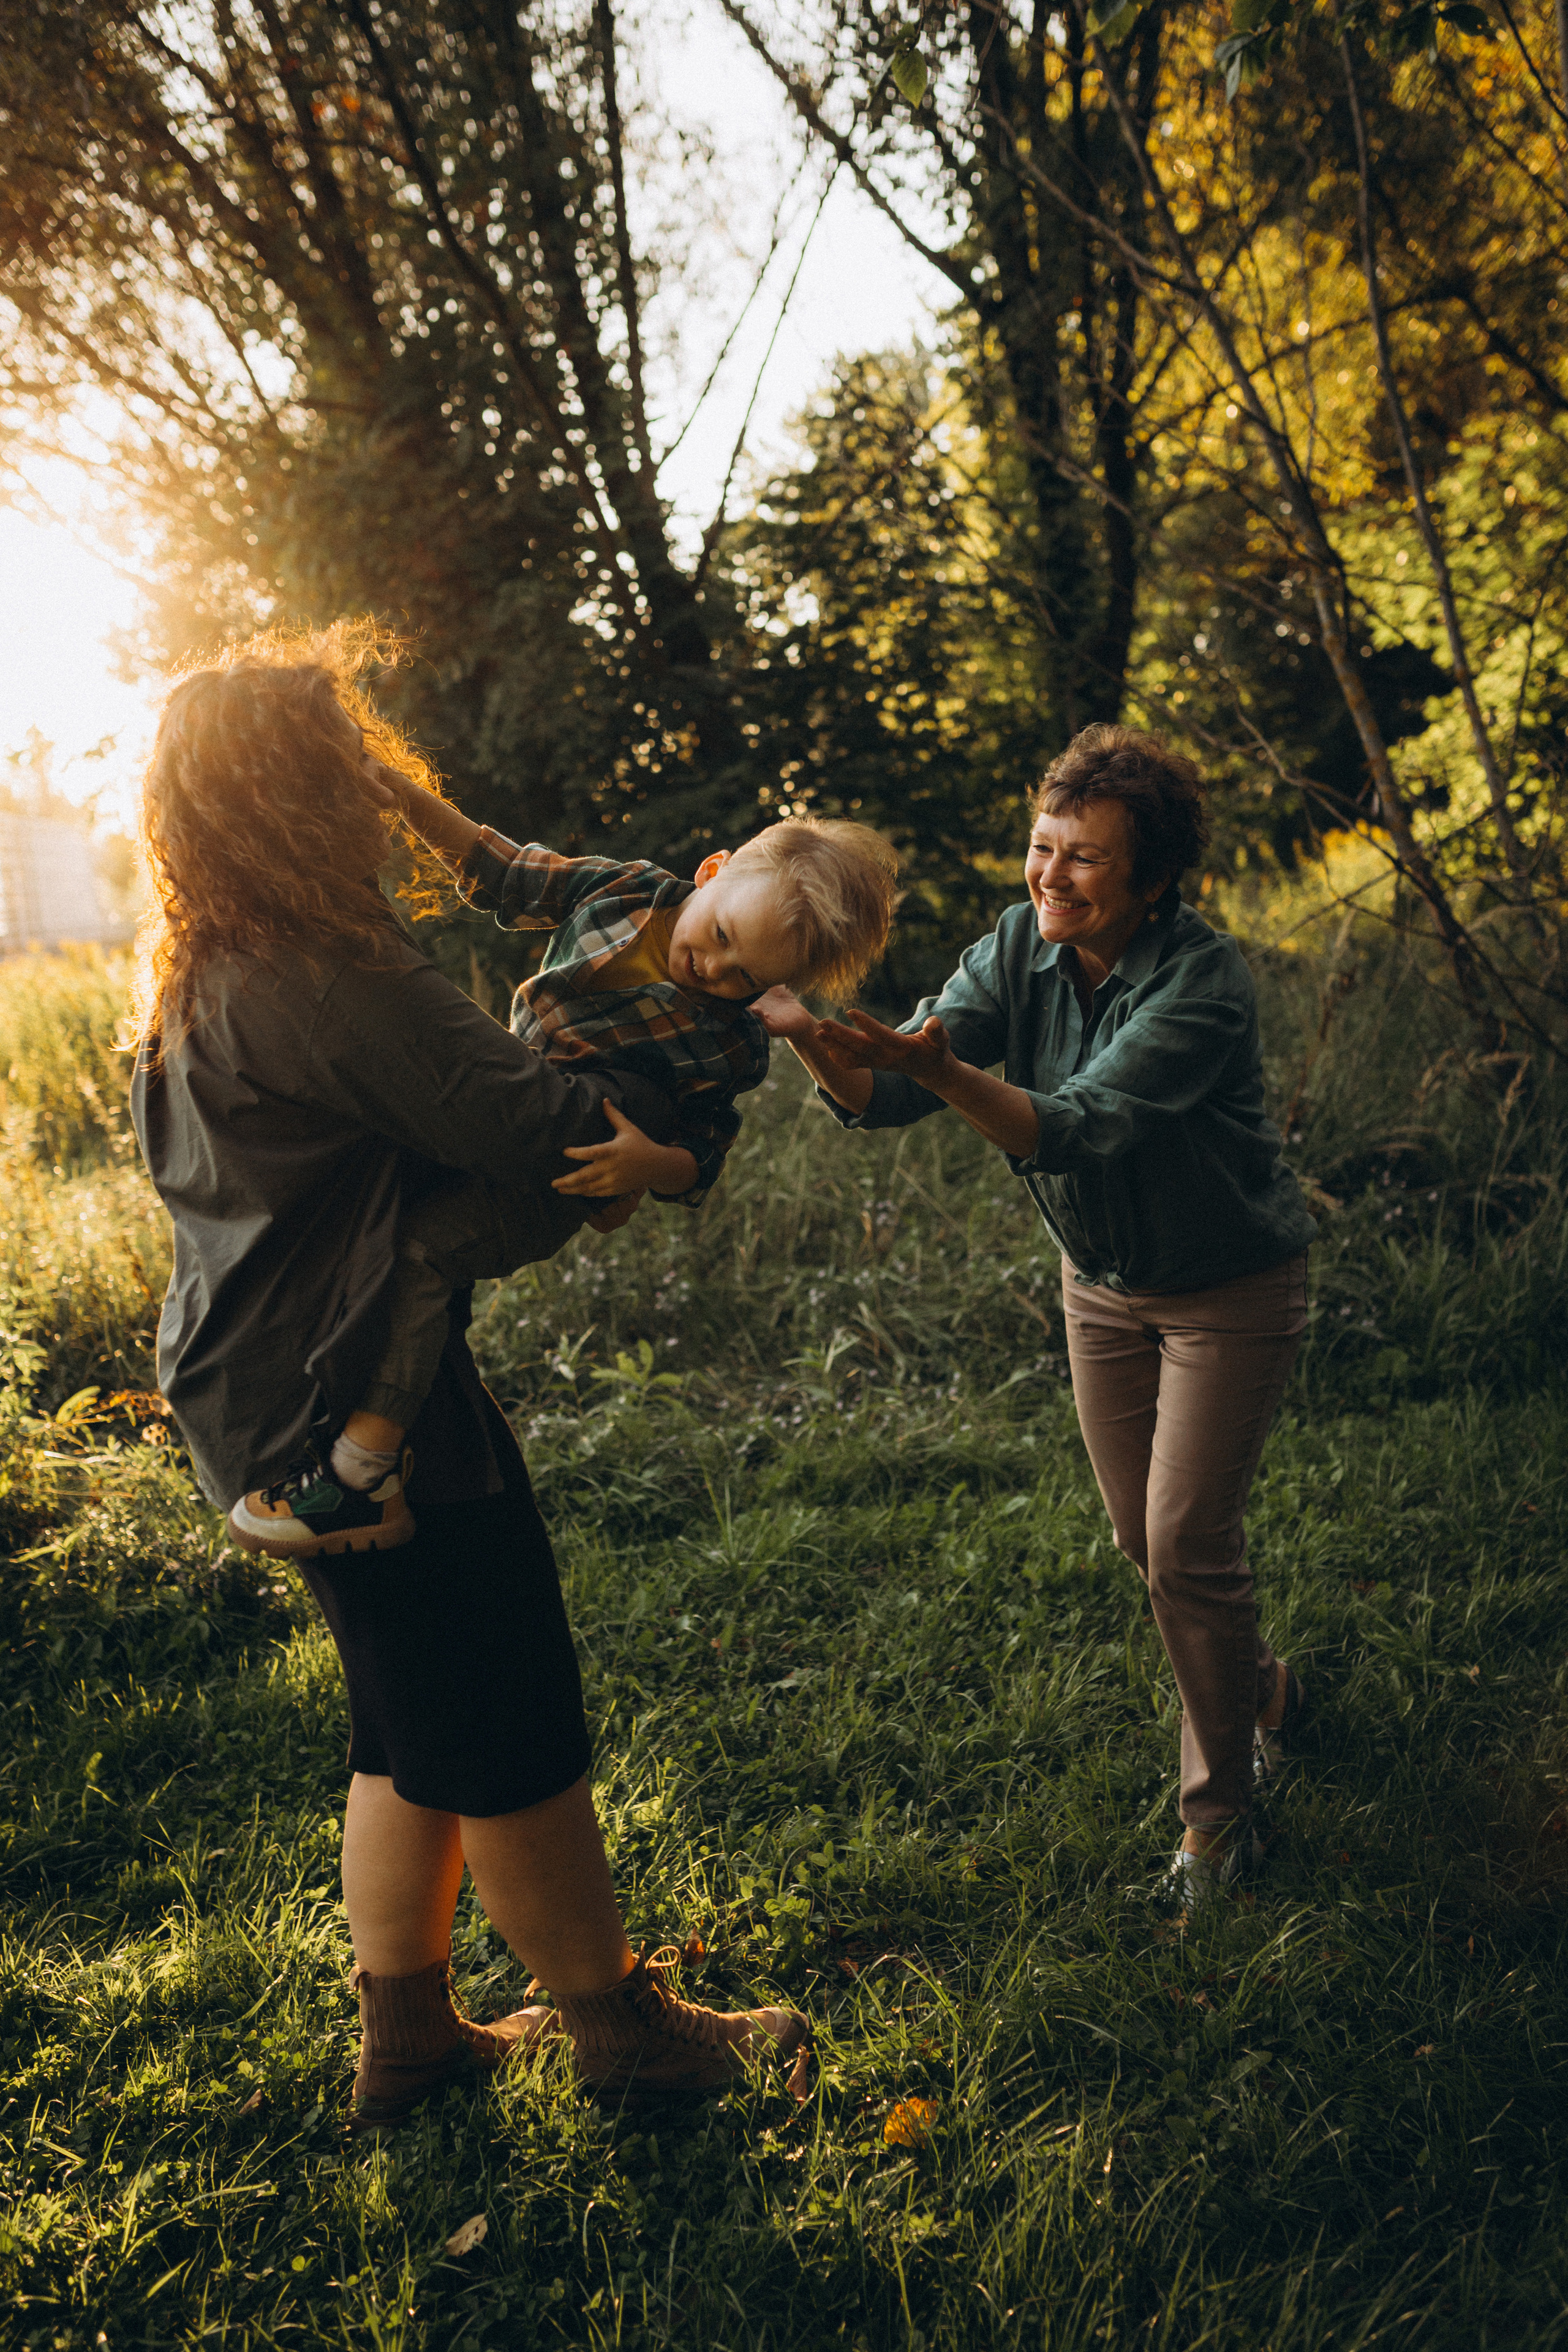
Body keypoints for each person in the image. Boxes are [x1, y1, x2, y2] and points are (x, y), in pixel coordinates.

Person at [129, 631, 810, 2126]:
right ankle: (615, 2029)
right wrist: (636, 1153)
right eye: (346, 769)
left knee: (404, 1713)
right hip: (340, 1391)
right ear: (298, 798)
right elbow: (530, 1125)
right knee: (503, 1709)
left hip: (265, 1378)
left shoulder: (215, 955)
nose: (377, 798)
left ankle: (413, 2036)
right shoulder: (325, 977)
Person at [785, 725, 1317, 1910]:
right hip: (1101, 1288)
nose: (1050, 877)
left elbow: (1069, 1124)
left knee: (1187, 1548)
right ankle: (1266, 1689)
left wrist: (933, 1072)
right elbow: (880, 1098)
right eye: (1041, 847)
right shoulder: (1016, 947)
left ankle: (1220, 1826)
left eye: (1083, 859)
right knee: (1147, 1545)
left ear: (1153, 878)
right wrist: (809, 1035)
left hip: (1228, 1292)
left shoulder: (1202, 983)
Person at [226, 776, 896, 1559]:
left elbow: (706, 1155)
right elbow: (502, 868)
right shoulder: (620, 890)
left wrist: (650, 1166)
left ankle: (361, 1478)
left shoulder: (731, 1043)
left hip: (567, 1181)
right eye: (718, 937)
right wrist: (404, 799)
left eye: (746, 975)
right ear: (711, 875)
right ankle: (362, 1407)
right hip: (501, 1108)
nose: (713, 971)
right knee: (385, 1226)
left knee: (423, 1252)